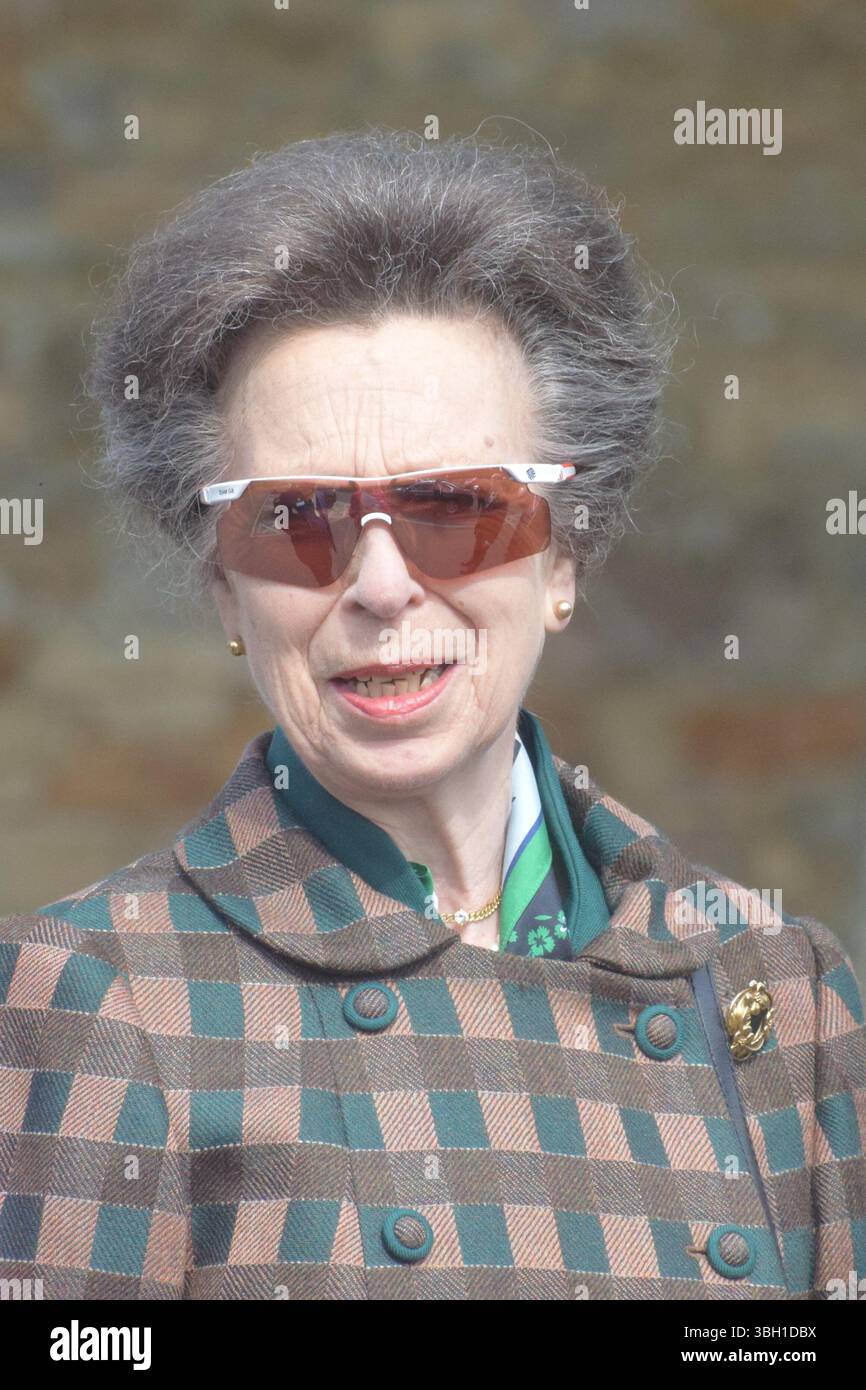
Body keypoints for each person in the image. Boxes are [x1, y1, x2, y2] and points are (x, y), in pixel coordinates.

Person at [1, 129, 863, 1300]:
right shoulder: (101, 995)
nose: (382, 584)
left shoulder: (778, 993)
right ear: (225, 589)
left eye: (457, 507)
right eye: (297, 517)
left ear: (563, 556)